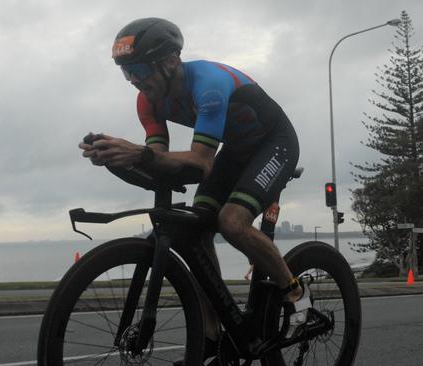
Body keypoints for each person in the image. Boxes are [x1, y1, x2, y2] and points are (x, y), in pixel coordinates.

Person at [79, 17, 314, 358]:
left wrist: (138, 154)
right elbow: (160, 163)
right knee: (196, 228)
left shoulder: (209, 85)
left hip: (274, 143)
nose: (133, 80)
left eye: (140, 69)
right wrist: (119, 160)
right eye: (126, 72)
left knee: (231, 222)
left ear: (171, 61)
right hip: (235, 149)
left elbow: (200, 163)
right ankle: (212, 332)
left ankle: (295, 294)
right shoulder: (148, 100)